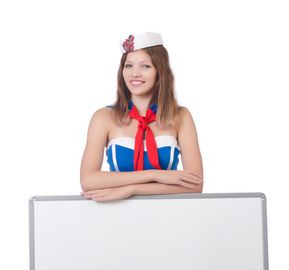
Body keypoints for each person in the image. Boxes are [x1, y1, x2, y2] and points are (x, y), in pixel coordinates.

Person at [79, 32, 203, 202]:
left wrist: (131, 189)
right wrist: (156, 175)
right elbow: (88, 180)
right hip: (116, 215)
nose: (134, 73)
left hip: (169, 215)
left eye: (145, 66)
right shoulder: (103, 117)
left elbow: (195, 185)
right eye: (128, 66)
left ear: (160, 71)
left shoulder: (181, 116)